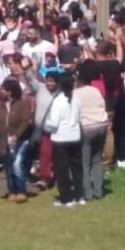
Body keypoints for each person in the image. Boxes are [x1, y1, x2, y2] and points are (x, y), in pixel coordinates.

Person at [45, 73, 83, 207]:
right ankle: (80, 196)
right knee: (77, 168)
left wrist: (46, 125)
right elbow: (80, 118)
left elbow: (53, 123)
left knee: (62, 169)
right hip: (75, 137)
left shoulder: (58, 100)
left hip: (61, 138)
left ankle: (66, 198)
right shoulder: (77, 99)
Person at [0, 78, 32, 203]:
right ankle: (12, 191)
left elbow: (25, 121)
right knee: (8, 166)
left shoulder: (23, 103)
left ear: (10, 91)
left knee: (17, 164)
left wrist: (16, 135)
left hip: (21, 139)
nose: (1, 91)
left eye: (3, 89)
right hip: (5, 139)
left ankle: (21, 191)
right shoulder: (0, 104)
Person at [75, 63, 108, 201]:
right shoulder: (96, 91)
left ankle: (87, 193)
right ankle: (98, 191)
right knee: (97, 160)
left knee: (85, 161)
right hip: (102, 125)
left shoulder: (76, 94)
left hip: (87, 127)